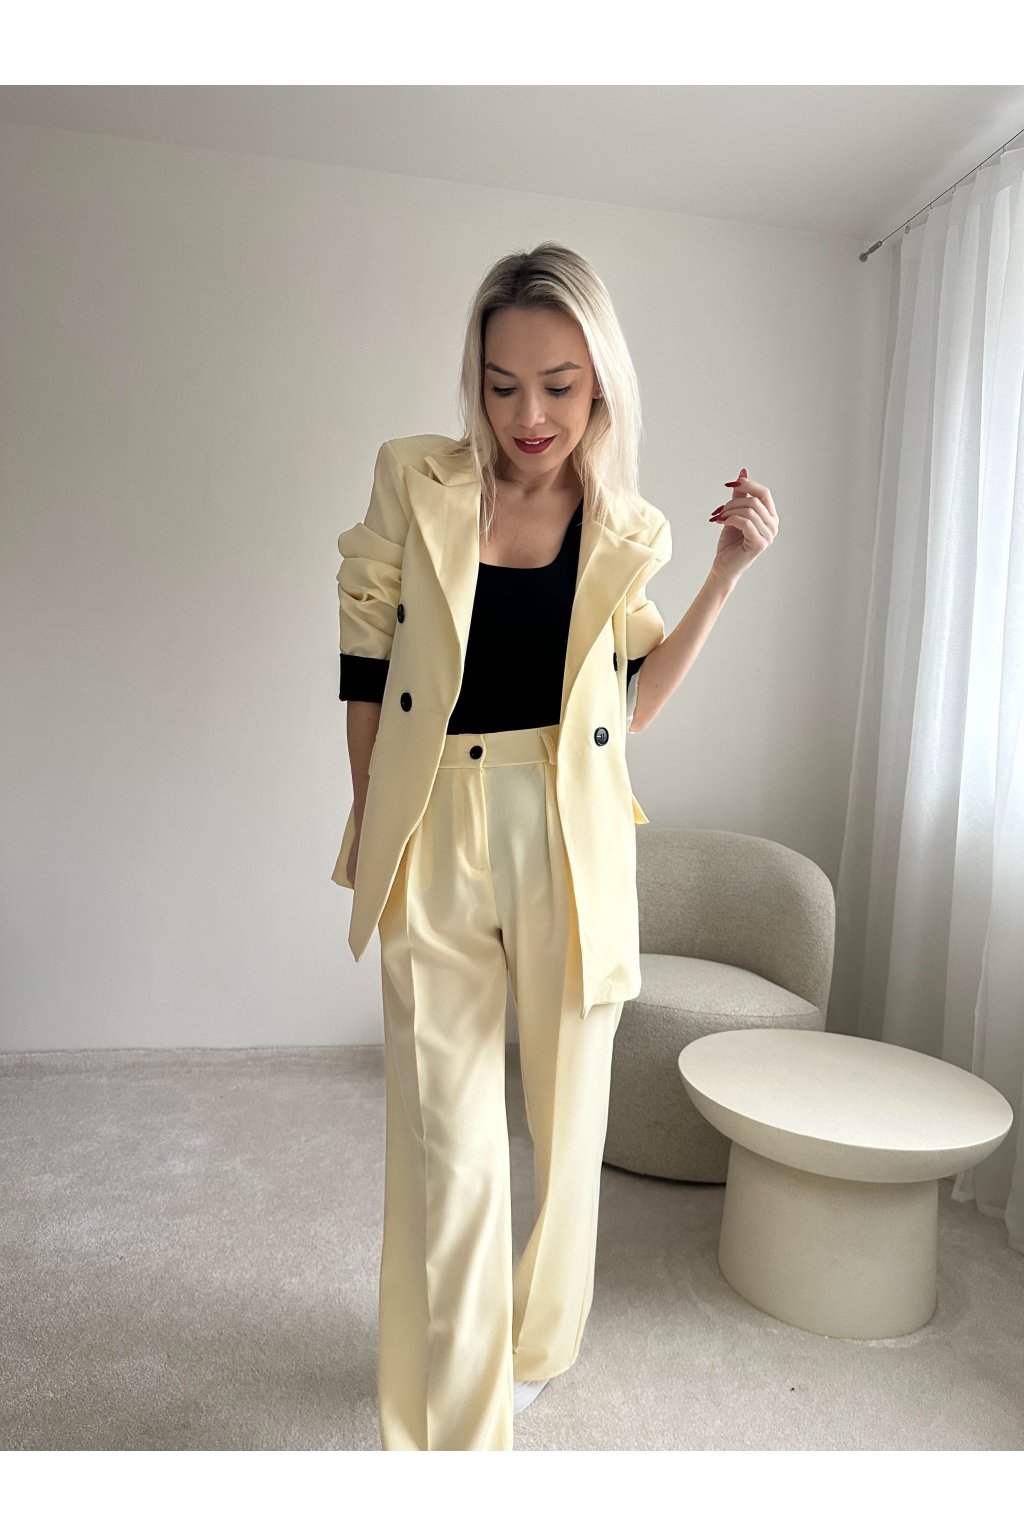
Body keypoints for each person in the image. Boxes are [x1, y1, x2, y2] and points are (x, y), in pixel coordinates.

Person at [332, 242, 777, 1451]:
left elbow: (631, 702)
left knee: (569, 1121)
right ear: (472, 380)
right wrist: (376, 813)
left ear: (601, 384)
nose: (527, 414)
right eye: (500, 384)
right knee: (448, 1143)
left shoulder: (625, 526)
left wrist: (726, 575)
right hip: (434, 818)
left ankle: (535, 1344)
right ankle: (454, 1439)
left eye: (559, 385)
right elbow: (365, 657)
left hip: (569, 831)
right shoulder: (414, 478)